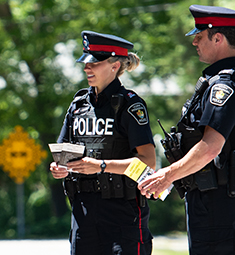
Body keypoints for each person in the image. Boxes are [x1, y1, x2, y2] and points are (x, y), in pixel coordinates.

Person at [138, 5, 235, 255]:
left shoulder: (224, 86)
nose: (194, 42)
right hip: (212, 194)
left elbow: (211, 147)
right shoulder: (223, 80)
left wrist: (167, 175)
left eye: (199, 36)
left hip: (217, 198)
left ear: (218, 38)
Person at [49, 30, 157, 255]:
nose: (87, 68)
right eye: (85, 63)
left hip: (122, 214)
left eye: (94, 63)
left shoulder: (130, 106)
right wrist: (59, 168)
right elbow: (62, 154)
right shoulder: (78, 105)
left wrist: (101, 166)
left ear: (114, 66)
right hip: (83, 213)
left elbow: (148, 164)